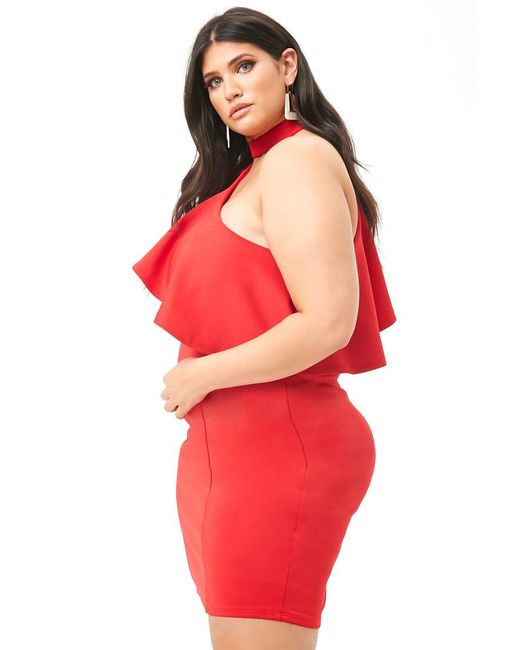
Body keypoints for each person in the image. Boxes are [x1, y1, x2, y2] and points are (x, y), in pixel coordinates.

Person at [132, 7, 397, 650]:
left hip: (279, 449)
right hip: (229, 454)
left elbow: (328, 321)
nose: (230, 90)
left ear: (287, 66)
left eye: (244, 66)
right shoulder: (256, 170)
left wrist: (202, 373)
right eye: (214, 81)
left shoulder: (299, 158)